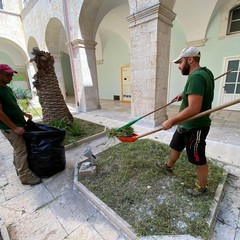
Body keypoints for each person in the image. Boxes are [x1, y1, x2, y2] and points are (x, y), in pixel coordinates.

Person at [156, 47, 214, 196]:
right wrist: (184, 93)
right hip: (185, 124)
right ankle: (168, 166)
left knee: (198, 157)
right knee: (176, 145)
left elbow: (194, 108)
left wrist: (171, 120)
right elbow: (201, 90)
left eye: (180, 61)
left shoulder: (195, 77)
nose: (179, 66)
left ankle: (202, 187)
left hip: (196, 126)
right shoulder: (205, 73)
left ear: (190, 59)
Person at [0, 64, 41, 185]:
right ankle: (25, 176)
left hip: (18, 123)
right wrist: (14, 128)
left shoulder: (7, 88)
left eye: (12, 75)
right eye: (7, 75)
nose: (10, 77)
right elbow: (0, 113)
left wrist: (24, 113)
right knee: (21, 150)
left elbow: (12, 105)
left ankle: (19, 169)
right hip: (9, 127)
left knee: (18, 149)